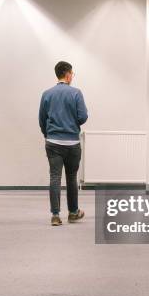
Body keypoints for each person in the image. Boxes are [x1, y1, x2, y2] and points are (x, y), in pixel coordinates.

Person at [38, 61, 88, 226]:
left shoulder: (47, 94)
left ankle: (55, 215)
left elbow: (42, 119)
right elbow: (83, 117)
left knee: (55, 177)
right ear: (68, 74)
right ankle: (73, 213)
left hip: (53, 142)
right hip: (72, 142)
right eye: (72, 74)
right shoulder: (76, 93)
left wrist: (48, 134)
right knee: (72, 177)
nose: (72, 77)